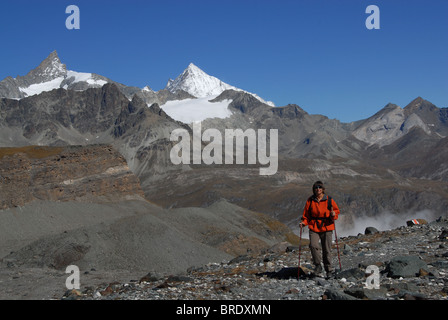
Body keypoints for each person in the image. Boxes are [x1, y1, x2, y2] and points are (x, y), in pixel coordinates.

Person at [299, 181, 340, 277]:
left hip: (327, 226)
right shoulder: (310, 200)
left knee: (327, 249)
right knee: (313, 245)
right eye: (316, 188)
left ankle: (328, 270)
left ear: (323, 189)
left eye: (320, 187)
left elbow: (336, 211)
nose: (318, 189)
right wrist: (304, 223)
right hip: (314, 226)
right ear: (314, 190)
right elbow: (306, 215)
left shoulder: (329, 200)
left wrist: (334, 215)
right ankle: (318, 265)